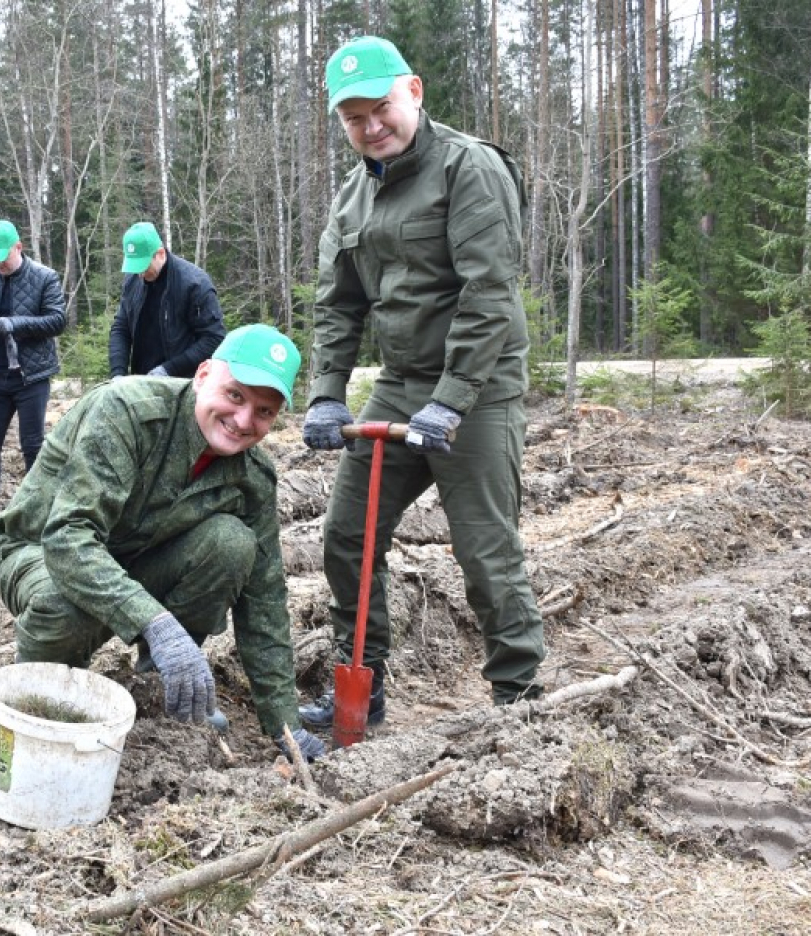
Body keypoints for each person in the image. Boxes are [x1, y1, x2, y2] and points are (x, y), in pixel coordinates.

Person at [299, 36, 545, 729]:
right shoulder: (351, 197)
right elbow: (338, 304)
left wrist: (452, 399)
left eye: (380, 108)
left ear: (414, 90)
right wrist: (325, 392)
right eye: (353, 118)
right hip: (404, 383)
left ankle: (519, 705)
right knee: (347, 536)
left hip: (479, 387)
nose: (371, 127)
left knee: (484, 549)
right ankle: (360, 691)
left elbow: (489, 295)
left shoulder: (470, 169)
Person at [0, 324, 325, 762]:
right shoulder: (127, 410)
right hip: (39, 551)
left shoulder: (253, 476)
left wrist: (285, 725)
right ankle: (43, 702)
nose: (244, 421)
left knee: (231, 544)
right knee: (64, 600)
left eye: (264, 411)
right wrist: (159, 625)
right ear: (203, 375)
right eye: (235, 396)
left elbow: (264, 599)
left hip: (135, 556)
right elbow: (69, 539)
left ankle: (160, 688)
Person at [0, 220, 67, 510]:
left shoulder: (45, 277)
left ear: (18, 247)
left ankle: (38, 504)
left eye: (3, 258)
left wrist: (14, 325)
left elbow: (57, 320)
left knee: (32, 444)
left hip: (31, 375)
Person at [108, 222, 226, 380]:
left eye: (143, 266)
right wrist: (118, 372)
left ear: (160, 254)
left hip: (183, 382)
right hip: (141, 380)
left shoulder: (195, 284)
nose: (140, 274)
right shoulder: (132, 280)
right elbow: (121, 328)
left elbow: (213, 339)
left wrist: (169, 369)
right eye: (135, 267)